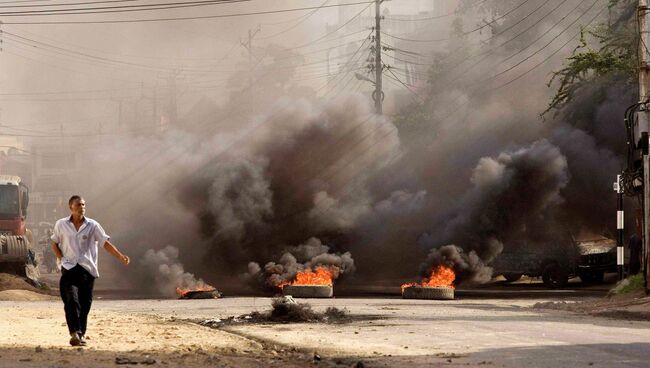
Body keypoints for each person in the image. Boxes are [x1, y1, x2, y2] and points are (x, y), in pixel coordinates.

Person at [51, 195, 130, 346]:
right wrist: (61, 259)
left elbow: (105, 243)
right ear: (71, 207)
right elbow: (54, 243)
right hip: (69, 268)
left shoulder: (92, 225)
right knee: (71, 300)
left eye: (83, 204)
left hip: (87, 270)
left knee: (85, 303)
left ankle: (81, 333)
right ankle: (74, 332)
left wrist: (120, 256)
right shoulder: (61, 224)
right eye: (78, 205)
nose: (82, 207)